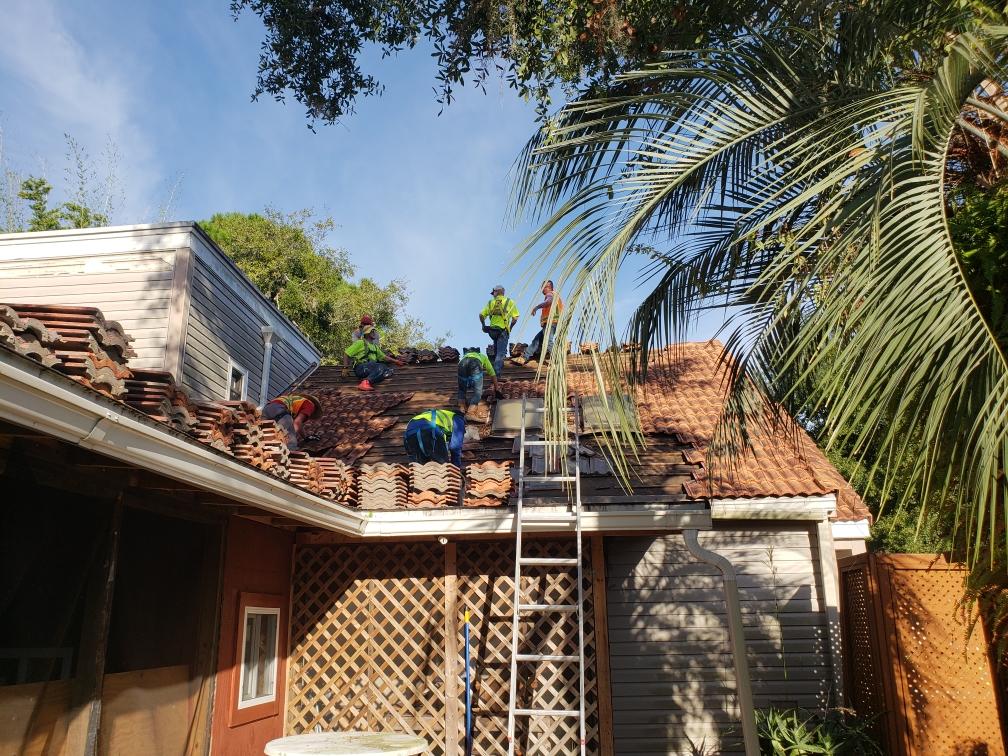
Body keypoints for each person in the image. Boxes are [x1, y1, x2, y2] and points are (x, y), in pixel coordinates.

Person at [342, 325, 403, 391]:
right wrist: (345, 368)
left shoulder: (375, 347)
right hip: (361, 368)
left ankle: (366, 379)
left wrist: (396, 361)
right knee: (381, 367)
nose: (374, 333)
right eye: (372, 331)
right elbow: (346, 353)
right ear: (367, 333)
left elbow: (384, 357)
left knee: (389, 371)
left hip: (371, 368)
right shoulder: (360, 343)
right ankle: (365, 383)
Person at [479, 284, 519, 376]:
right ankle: (496, 374)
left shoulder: (490, 303)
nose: (493, 294)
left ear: (497, 292)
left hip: (492, 331)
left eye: (493, 292)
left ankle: (495, 368)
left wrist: (483, 325)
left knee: (497, 351)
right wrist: (510, 328)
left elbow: (481, 315)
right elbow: (515, 318)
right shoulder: (509, 301)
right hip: (503, 331)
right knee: (501, 354)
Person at [523, 279, 563, 364]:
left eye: (543, 287)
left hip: (550, 323)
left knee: (548, 341)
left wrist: (536, 307)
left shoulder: (550, 294)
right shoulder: (556, 295)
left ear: (548, 287)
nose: (542, 289)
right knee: (537, 340)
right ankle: (525, 356)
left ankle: (558, 361)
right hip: (553, 323)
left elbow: (548, 301)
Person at [457, 349, 499, 416]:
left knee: (462, 389)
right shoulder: (483, 357)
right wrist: (497, 389)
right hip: (475, 363)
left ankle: (461, 409)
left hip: (461, 364)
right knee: (478, 392)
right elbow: (492, 374)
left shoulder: (465, 356)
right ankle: (470, 413)